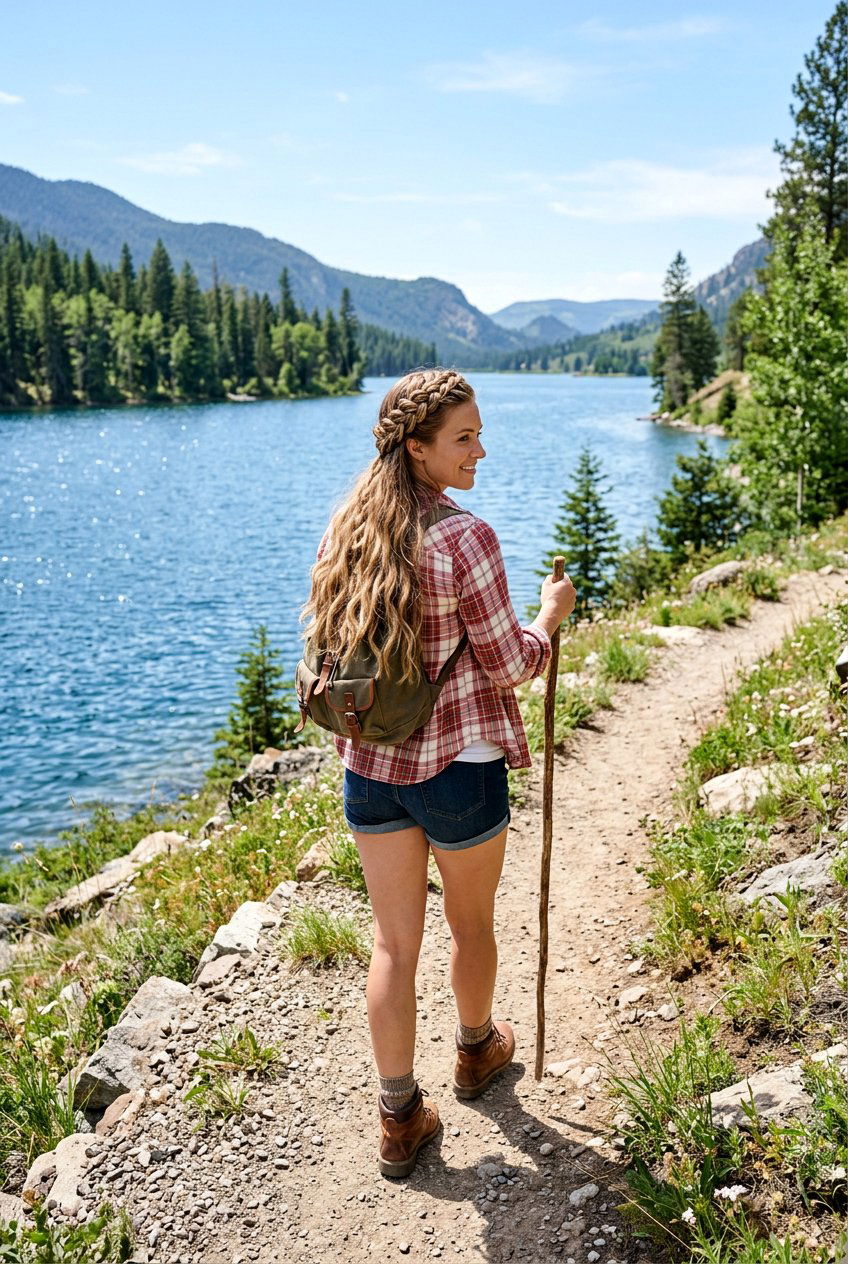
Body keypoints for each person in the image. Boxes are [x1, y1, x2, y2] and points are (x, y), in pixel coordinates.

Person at [299, 368, 576, 1178]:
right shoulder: (464, 538)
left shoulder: (350, 529)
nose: (480, 450)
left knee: (392, 944)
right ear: (417, 448)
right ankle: (477, 1051)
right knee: (471, 925)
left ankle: (398, 1118)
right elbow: (509, 663)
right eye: (464, 438)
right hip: (459, 767)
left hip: (369, 769)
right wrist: (550, 617)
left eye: (479, 433)